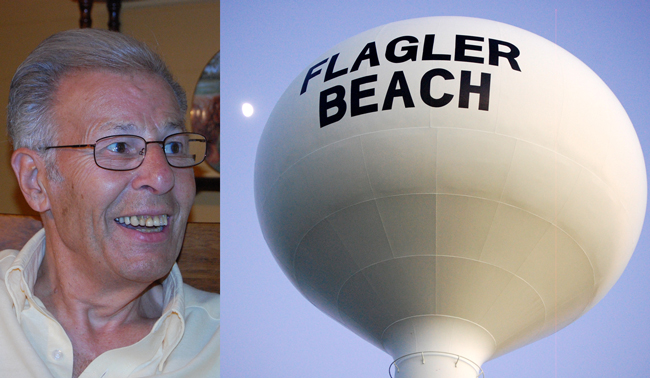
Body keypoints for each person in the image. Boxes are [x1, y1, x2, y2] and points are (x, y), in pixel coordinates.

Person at [1, 28, 219, 378]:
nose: (162, 176)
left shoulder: (235, 344)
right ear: (35, 180)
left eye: (174, 146)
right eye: (119, 147)